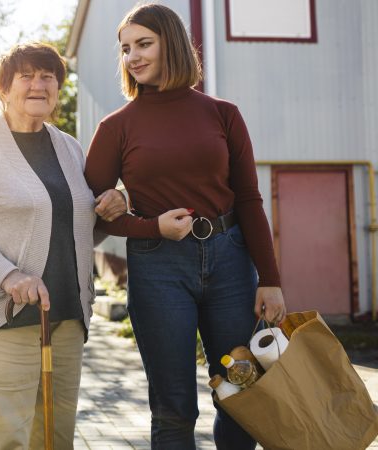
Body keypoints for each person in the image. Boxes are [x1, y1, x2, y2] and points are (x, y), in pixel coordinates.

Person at [85, 4, 286, 449]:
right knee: (174, 406)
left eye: (143, 44)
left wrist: (270, 280)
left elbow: (249, 199)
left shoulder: (223, 114)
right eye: (124, 49)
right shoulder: (115, 126)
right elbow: (91, 213)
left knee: (240, 394)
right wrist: (150, 227)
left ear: (171, 43)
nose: (132, 57)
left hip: (232, 262)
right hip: (159, 270)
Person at [0, 41, 126, 448]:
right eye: (25, 75)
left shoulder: (69, 147)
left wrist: (115, 204)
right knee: (8, 440)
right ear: (3, 89)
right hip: (4, 319)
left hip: (66, 320)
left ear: (58, 89)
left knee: (56, 440)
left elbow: (77, 229)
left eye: (48, 76)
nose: (38, 84)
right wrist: (9, 276)